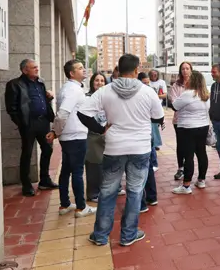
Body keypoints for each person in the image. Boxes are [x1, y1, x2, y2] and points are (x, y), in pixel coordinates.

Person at [78, 54, 163, 247]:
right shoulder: (147, 92)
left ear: (118, 68)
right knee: (135, 191)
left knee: (107, 191)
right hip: (140, 148)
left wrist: (100, 129)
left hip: (114, 147)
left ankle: (100, 235)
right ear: (136, 70)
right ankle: (128, 235)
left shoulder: (105, 90)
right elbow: (158, 117)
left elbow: (82, 113)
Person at [49, 60, 96, 218]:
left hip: (69, 136)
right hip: (75, 136)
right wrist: (55, 131)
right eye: (80, 68)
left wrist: (57, 132)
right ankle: (81, 207)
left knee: (66, 171)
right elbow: (62, 114)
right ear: (71, 73)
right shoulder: (73, 90)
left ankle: (65, 204)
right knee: (76, 172)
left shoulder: (69, 88)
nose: (84, 70)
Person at [5, 59, 57, 196]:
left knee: (47, 149)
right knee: (27, 153)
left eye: (37, 67)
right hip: (28, 124)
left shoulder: (40, 82)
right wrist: (21, 123)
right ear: (24, 70)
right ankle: (26, 184)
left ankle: (45, 180)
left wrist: (49, 98)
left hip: (43, 122)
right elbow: (11, 108)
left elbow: (42, 100)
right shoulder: (15, 84)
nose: (37, 69)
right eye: (33, 67)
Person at [171, 71, 210, 194]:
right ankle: (201, 180)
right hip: (203, 126)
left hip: (187, 128)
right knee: (201, 153)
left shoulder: (188, 94)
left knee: (188, 156)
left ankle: (186, 185)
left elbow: (174, 106)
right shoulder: (205, 95)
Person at [84, 73, 107, 202]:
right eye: (97, 80)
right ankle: (93, 194)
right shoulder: (87, 97)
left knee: (106, 164)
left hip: (106, 134)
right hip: (93, 135)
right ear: (92, 82)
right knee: (94, 165)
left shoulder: (108, 97)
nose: (99, 83)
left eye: (102, 80)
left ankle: (105, 189)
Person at [136, 74, 158, 212]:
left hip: (142, 135)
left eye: (148, 83)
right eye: (144, 83)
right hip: (143, 134)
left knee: (141, 168)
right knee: (146, 166)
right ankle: (150, 197)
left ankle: (146, 200)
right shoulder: (147, 94)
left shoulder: (144, 94)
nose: (147, 85)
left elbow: (158, 115)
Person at [169, 62, 192, 181]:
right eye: (183, 69)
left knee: (191, 146)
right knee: (181, 145)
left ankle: (189, 168)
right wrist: (187, 104)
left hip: (193, 121)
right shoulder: (175, 86)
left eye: (187, 68)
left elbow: (198, 100)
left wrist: (182, 103)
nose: (185, 71)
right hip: (178, 120)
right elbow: (174, 102)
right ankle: (180, 168)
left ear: (191, 70)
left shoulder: (195, 84)